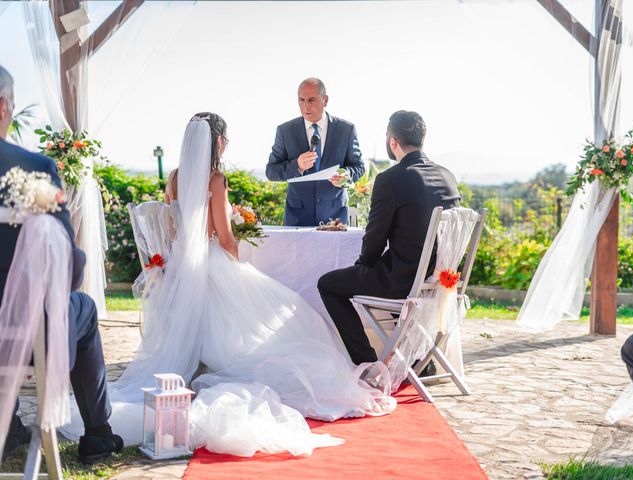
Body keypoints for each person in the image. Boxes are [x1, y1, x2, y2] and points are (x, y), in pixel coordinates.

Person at [61, 113, 395, 454]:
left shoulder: (175, 177)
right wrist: (236, 262)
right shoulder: (215, 179)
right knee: (293, 309)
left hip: (180, 269)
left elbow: (175, 231)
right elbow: (225, 239)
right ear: (217, 142)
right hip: (211, 262)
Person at [0, 65, 122, 463]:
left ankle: (11, 428)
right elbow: (67, 268)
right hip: (23, 331)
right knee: (81, 306)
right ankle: (98, 434)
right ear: (4, 107)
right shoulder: (30, 170)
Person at [318, 110, 461, 365]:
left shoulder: (391, 179)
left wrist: (362, 267)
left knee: (328, 284)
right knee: (399, 263)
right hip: (437, 279)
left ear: (393, 141)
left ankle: (367, 363)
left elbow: (375, 238)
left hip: (402, 280)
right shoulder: (447, 176)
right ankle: (419, 363)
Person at [266, 78, 364, 226]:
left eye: (312, 100)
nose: (306, 106)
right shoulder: (285, 131)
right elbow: (271, 171)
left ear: (325, 100)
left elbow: (359, 166)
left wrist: (346, 175)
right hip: (297, 218)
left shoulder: (346, 129)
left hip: (335, 217)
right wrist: (297, 165)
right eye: (301, 100)